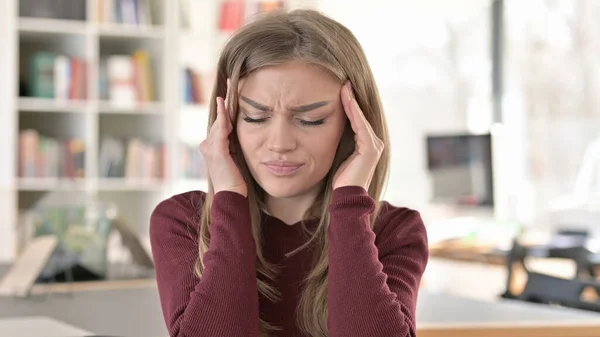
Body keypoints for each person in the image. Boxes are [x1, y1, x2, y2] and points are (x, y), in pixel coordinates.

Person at [150, 8, 429, 337]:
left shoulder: (396, 232)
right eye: (255, 117)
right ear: (227, 120)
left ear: (355, 126)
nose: (280, 143)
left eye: (310, 120)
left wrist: (351, 205)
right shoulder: (183, 222)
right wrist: (228, 198)